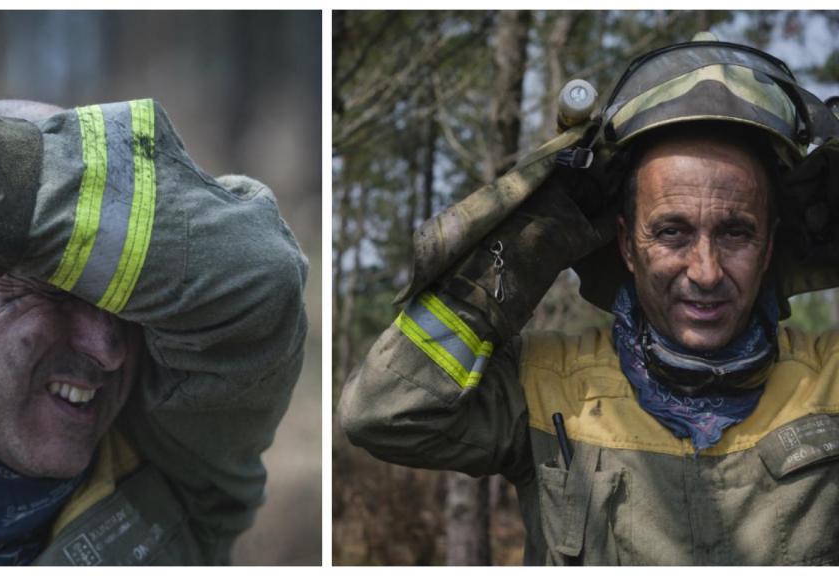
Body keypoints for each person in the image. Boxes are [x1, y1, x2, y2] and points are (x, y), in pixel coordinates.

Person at [339, 33, 839, 565]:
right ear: (626, 243)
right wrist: (529, 240)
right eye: (672, 232)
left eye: (736, 233)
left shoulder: (829, 378)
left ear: (769, 246)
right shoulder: (544, 382)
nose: (706, 271)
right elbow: (381, 413)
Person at [0, 65, 308, 565]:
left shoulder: (167, 466)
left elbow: (263, 273)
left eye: (128, 302)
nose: (110, 349)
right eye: (53, 291)